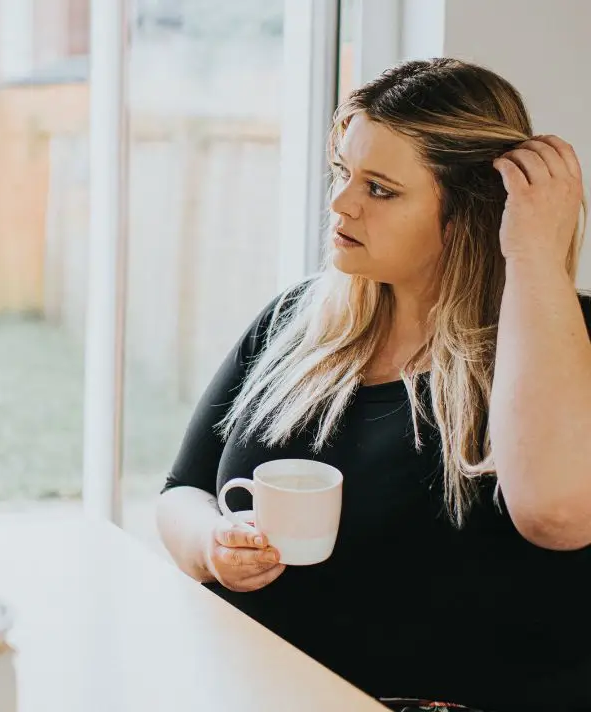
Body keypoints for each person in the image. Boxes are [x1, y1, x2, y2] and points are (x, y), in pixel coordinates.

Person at [156, 58, 589, 712]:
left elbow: (558, 515)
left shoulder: (568, 341)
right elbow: (180, 492)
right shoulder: (293, 322)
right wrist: (211, 546)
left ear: (470, 209)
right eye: (342, 172)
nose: (340, 203)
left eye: (380, 188)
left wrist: (530, 252)